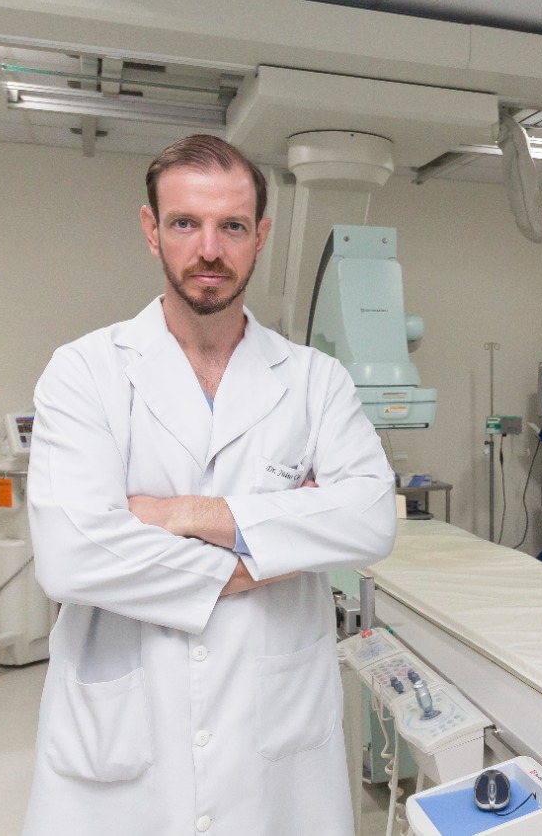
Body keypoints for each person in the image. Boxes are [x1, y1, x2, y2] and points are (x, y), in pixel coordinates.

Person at [22, 134, 396, 836]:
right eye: (185, 223)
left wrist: (188, 513)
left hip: (273, 740)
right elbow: (72, 556)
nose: (209, 250)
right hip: (124, 734)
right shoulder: (86, 372)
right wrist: (282, 545)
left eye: (232, 227)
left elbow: (372, 516)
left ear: (261, 236)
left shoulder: (314, 380)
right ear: (151, 229)